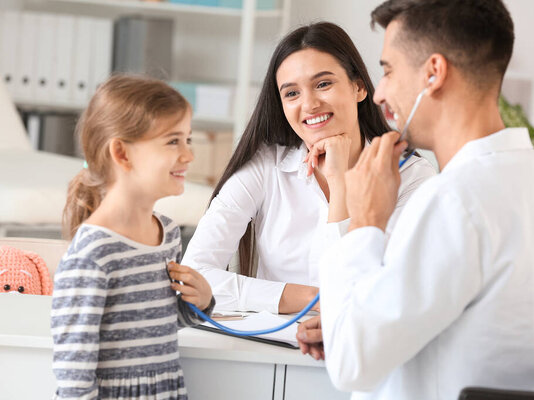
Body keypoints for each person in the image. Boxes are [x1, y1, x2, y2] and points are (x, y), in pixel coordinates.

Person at [308, 1, 534, 399]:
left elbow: (351, 363)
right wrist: (350, 319)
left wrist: (364, 221)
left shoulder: (454, 201)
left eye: (388, 70)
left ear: (434, 73)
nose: (379, 94)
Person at [182, 22, 436, 314]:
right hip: (263, 350)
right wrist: (307, 298)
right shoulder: (265, 166)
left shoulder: (412, 177)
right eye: (291, 93)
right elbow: (194, 275)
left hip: (356, 351)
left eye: (323, 84)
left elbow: (379, 293)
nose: (310, 104)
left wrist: (339, 181)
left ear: (359, 87)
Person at [51, 75, 215, 399]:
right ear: (122, 154)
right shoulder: (92, 255)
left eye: (188, 139)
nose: (189, 155)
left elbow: (159, 325)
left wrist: (203, 302)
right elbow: (73, 380)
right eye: (173, 141)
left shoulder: (167, 233)